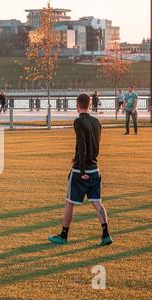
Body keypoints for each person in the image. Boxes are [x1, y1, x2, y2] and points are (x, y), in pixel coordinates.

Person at [48, 93, 113, 247]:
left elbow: (82, 146)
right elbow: (94, 145)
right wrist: (76, 156)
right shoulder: (97, 122)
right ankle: (106, 235)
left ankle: (63, 235)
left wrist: (81, 170)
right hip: (95, 169)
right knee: (97, 202)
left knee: (69, 202)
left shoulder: (78, 121)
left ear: (78, 105)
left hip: (81, 171)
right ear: (90, 104)